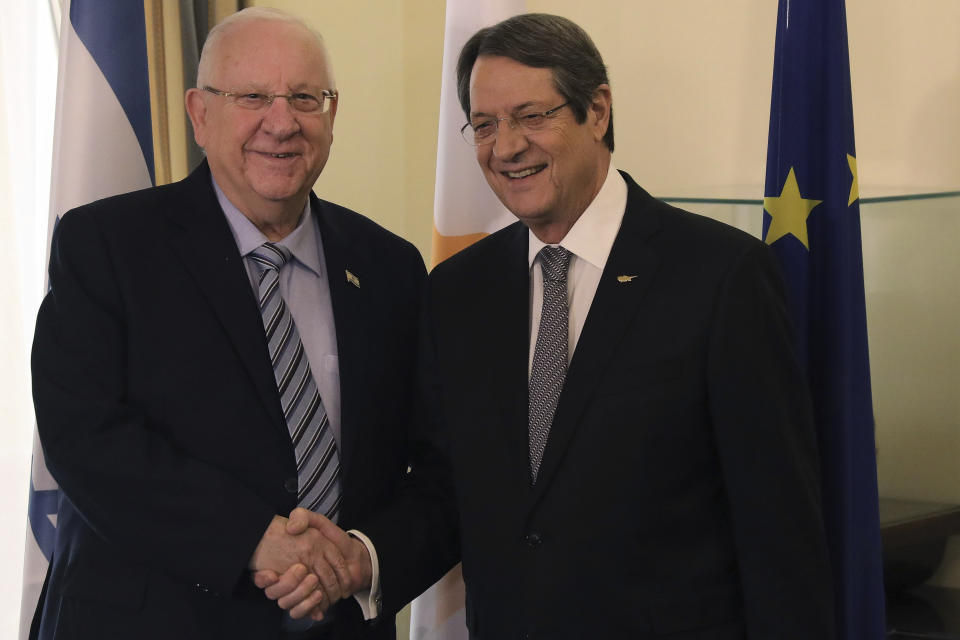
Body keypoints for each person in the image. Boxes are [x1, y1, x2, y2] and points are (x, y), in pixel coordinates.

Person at [261, 13, 835, 640]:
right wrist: (360, 559)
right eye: (484, 125)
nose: (505, 146)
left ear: (597, 110)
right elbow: (448, 487)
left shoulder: (719, 276)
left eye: (532, 116)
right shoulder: (458, 291)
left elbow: (778, 526)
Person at [30, 7, 422, 640]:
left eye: (304, 97)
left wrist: (363, 559)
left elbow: (432, 462)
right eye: (252, 97)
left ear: (332, 112)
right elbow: (85, 436)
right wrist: (253, 540)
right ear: (199, 113)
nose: (282, 122)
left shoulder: (390, 266)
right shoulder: (106, 244)